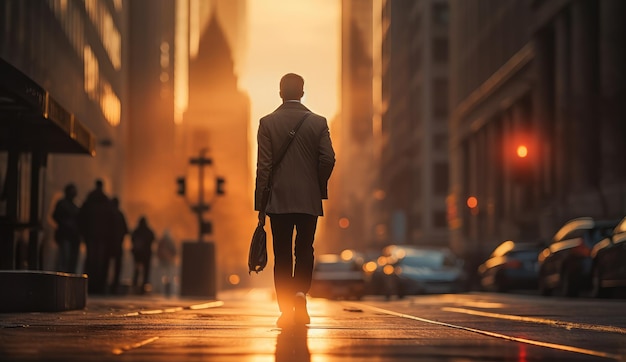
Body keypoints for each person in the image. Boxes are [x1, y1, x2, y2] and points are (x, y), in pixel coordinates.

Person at [254, 73, 335, 328]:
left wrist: (260, 203)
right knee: (305, 249)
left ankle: (286, 307)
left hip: (278, 200)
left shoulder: (267, 123)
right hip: (308, 200)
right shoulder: (319, 122)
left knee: (282, 254)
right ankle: (301, 294)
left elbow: (264, 167)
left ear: (280, 92)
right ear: (302, 92)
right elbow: (328, 160)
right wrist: (317, 184)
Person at [79, 179, 114, 294]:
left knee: (90, 259)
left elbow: (82, 217)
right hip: (102, 237)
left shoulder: (90, 199)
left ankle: (89, 284)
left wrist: (83, 232)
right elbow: (110, 221)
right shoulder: (105, 200)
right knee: (99, 261)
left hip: (90, 235)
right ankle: (98, 285)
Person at [52, 183, 81, 273]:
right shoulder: (63, 204)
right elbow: (55, 216)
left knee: (68, 259)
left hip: (71, 236)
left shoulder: (75, 206)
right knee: (64, 258)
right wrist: (65, 223)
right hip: (65, 235)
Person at [109, 197, 129, 294]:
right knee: (117, 266)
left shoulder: (108, 214)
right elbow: (126, 230)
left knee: (107, 265)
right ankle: (114, 285)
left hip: (108, 245)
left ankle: (106, 284)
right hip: (118, 245)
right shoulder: (120, 215)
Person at [131, 216, 155, 294]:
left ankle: (135, 285)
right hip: (146, 255)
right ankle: (143, 287)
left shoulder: (137, 231)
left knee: (137, 271)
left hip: (138, 255)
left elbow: (133, 239)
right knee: (145, 272)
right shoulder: (148, 231)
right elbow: (153, 239)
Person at [156, 229, 177, 296]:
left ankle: (162, 289)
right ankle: (167, 289)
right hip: (168, 261)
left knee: (162, 276)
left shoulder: (162, 241)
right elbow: (174, 251)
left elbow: (158, 251)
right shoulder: (170, 241)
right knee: (168, 276)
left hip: (163, 261)